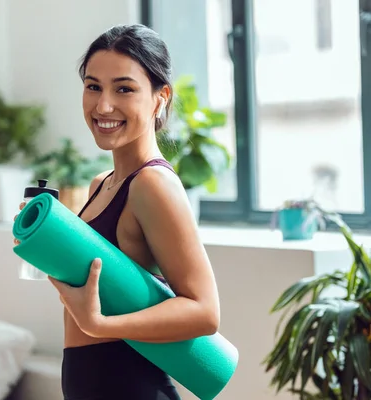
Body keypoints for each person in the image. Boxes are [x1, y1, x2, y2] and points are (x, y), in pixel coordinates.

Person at [14, 23, 220, 400]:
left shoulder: (153, 185)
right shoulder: (101, 183)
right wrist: (44, 244)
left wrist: (99, 323)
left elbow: (204, 312)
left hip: (131, 386)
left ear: (160, 97)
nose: (103, 105)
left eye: (124, 89)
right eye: (93, 86)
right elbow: (97, 284)